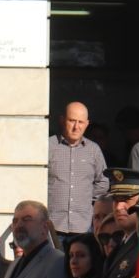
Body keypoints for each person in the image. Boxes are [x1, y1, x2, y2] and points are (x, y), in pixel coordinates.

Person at [48, 102, 109, 243]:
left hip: (83, 227)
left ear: (87, 124)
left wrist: (85, 195)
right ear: (62, 120)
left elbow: (104, 181)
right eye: (72, 121)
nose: (76, 127)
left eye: (80, 122)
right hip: (52, 226)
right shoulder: (48, 146)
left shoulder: (94, 150)